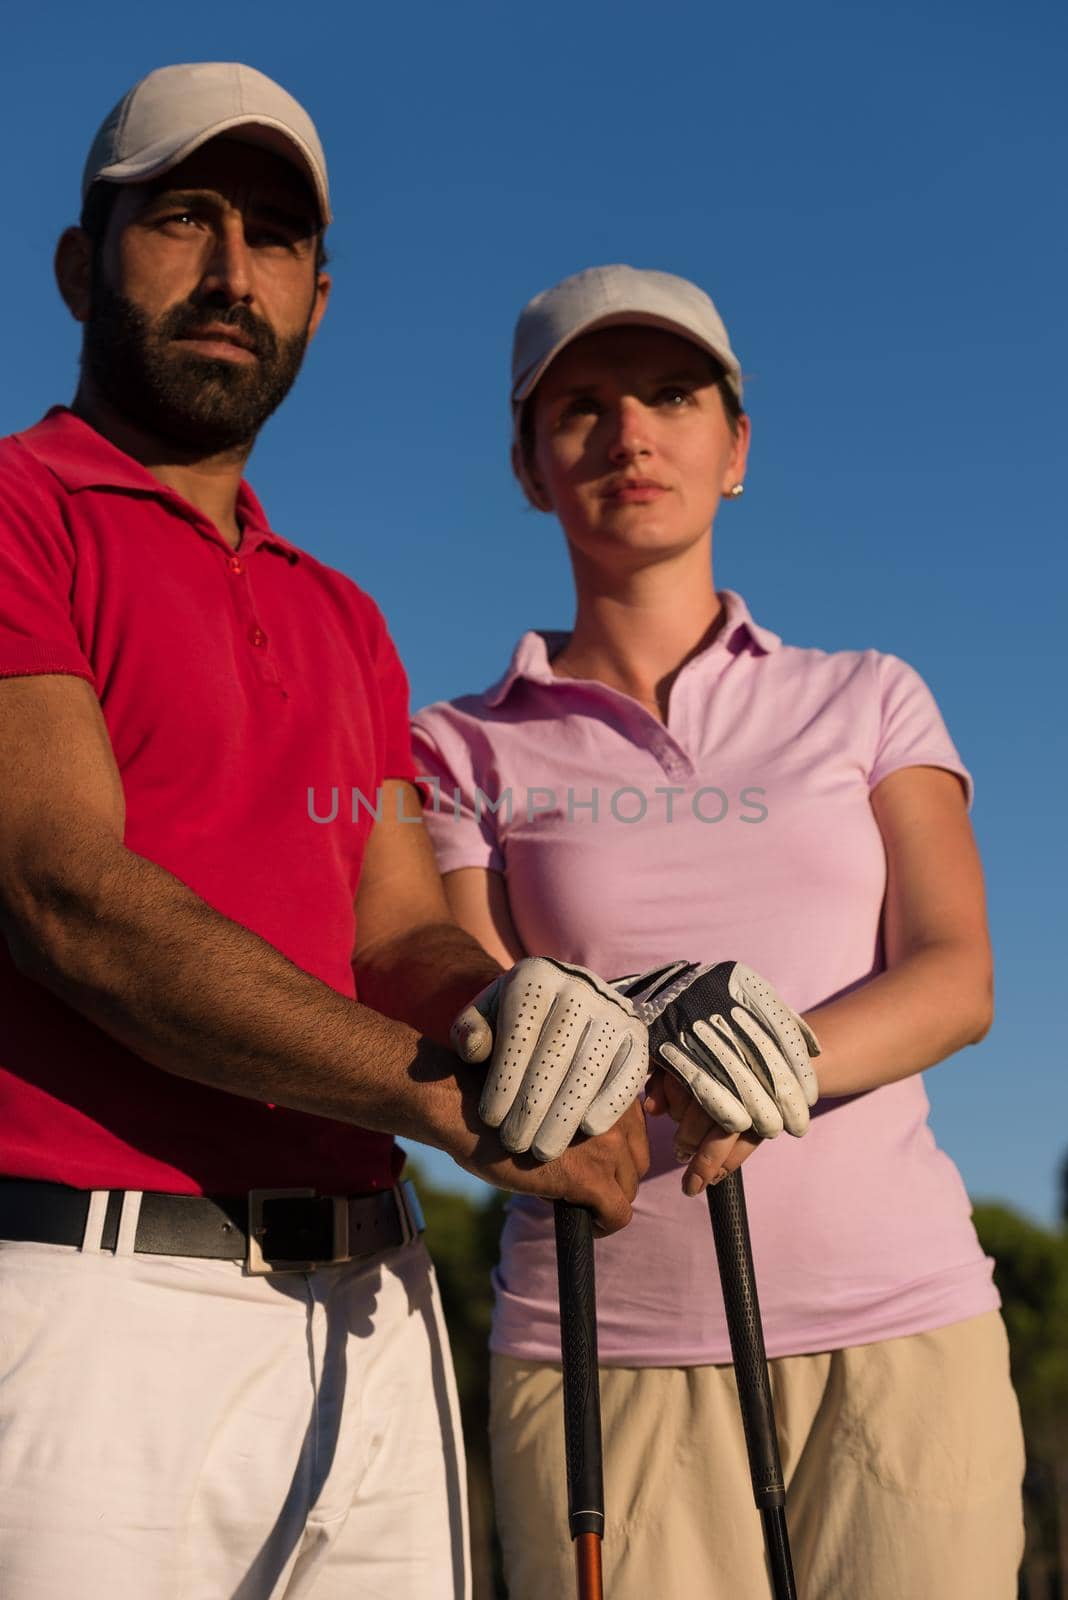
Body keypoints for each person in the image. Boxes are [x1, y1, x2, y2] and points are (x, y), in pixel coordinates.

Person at [0, 69, 665, 1599]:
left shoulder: (344, 611)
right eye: (183, 219)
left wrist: (516, 1017)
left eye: (279, 238)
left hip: (373, 1317)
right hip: (89, 1308)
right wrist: (464, 1098)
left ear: (318, 293)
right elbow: (67, 895)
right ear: (74, 264)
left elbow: (397, 934)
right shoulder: (21, 512)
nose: (236, 273)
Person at [412, 264, 1027, 1597]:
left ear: (735, 447)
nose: (629, 434)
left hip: (902, 1339)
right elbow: (461, 999)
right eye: (580, 406)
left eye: (674, 396)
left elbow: (956, 974)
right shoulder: (454, 747)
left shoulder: (870, 697)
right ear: (527, 466)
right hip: (600, 1355)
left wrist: (783, 1052)